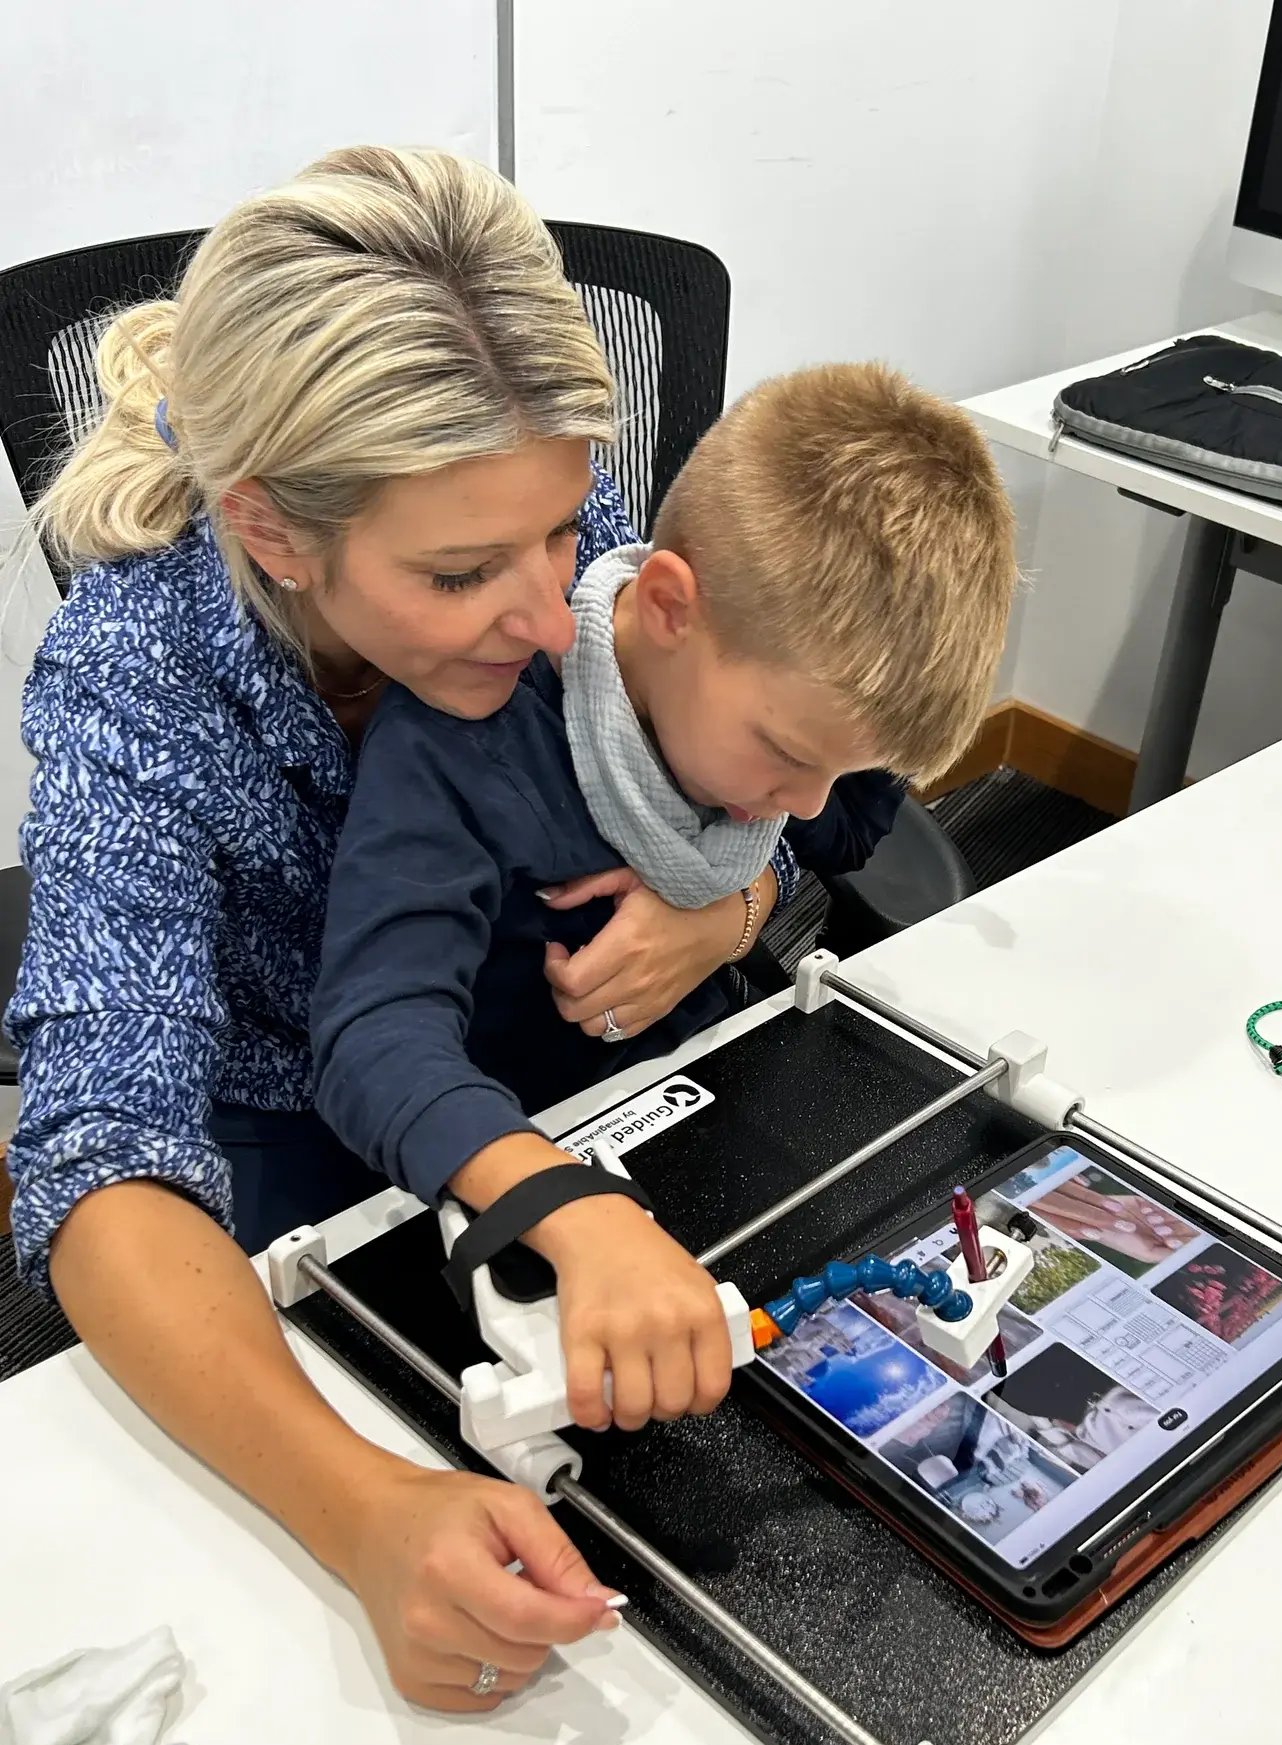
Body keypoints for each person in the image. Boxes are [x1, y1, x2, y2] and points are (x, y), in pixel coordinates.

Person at [4, 145, 827, 1715]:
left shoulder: (565, 538)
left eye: (564, 527)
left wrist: (731, 911)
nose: (546, 611)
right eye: (459, 573)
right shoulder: (139, 682)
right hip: (310, 1161)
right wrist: (363, 1513)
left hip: (581, 1082)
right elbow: (100, 1167)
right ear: (275, 530)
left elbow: (770, 774)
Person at [311, 361, 1017, 1434]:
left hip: (691, 1101)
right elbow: (371, 1039)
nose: (805, 806)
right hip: (495, 1183)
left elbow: (853, 817)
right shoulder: (462, 744)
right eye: (785, 757)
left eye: (839, 770)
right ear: (673, 608)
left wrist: (738, 901)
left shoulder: (792, 705)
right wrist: (564, 1203)